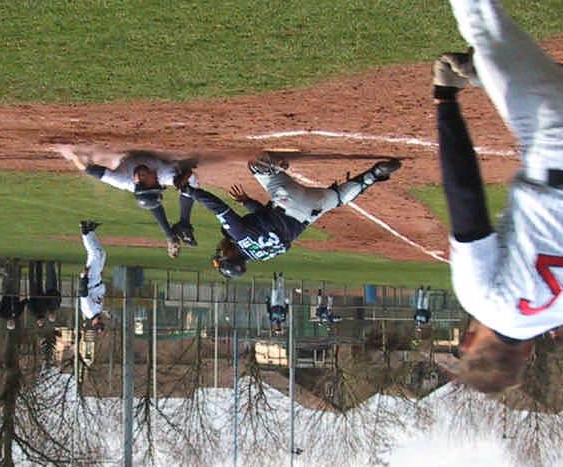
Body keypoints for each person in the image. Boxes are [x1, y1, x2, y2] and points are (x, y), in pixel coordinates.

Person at [434, 0, 563, 393]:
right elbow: (466, 204)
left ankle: (492, 76)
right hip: (552, 142)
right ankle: (488, 73)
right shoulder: (485, 303)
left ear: (526, 353)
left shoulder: (556, 314)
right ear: (469, 342)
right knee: (482, 25)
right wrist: (445, 101)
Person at [179, 153, 401, 277]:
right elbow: (217, 206)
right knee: (256, 166)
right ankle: (275, 166)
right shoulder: (238, 236)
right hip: (287, 199)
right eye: (222, 254)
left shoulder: (263, 256)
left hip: (309, 211)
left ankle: (373, 175)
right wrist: (191, 191)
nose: (220, 249)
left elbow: (265, 221)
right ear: (231, 256)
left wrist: (248, 202)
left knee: (339, 198)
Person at [57, 146, 199, 258]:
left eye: (155, 184)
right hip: (157, 183)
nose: (156, 180)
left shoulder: (121, 179)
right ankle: (181, 227)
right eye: (156, 183)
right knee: (184, 185)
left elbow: (87, 168)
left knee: (152, 199)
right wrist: (183, 176)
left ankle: (175, 231)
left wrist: (73, 155)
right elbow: (190, 171)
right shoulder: (162, 174)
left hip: (140, 182)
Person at [78, 220, 107, 333]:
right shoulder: (98, 311)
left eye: (98, 323)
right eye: (101, 322)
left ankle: (84, 230)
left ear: (93, 324)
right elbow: (98, 294)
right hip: (97, 280)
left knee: (94, 254)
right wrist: (100, 278)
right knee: (102, 253)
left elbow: (83, 293)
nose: (100, 321)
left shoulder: (89, 311)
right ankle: (91, 231)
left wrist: (84, 277)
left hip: (90, 281)